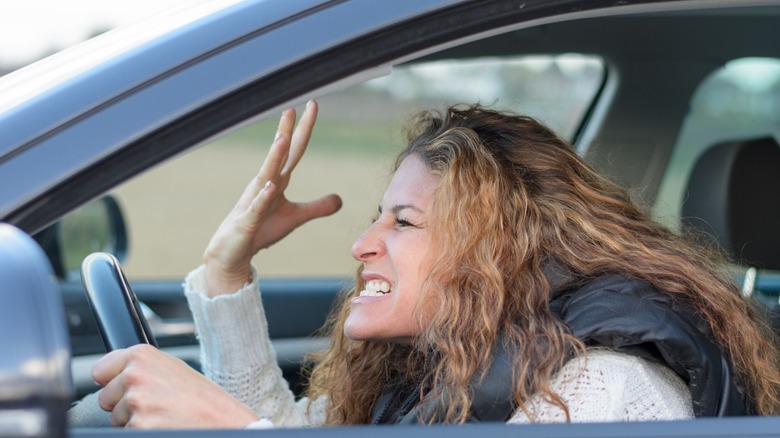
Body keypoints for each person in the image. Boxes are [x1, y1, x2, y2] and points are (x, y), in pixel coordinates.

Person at [92, 101, 780, 428]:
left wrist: (233, 431)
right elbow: (292, 427)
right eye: (376, 216)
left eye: (404, 221)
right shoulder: (438, 367)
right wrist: (224, 272)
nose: (363, 244)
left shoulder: (611, 391)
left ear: (500, 252)